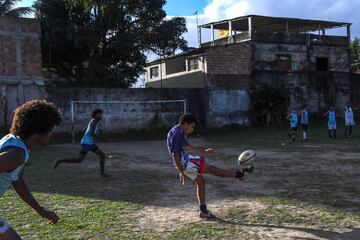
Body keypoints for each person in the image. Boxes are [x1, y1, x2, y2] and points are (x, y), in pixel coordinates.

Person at [167, 113, 253, 219]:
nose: (192, 130)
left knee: (209, 173)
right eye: (192, 127)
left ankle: (241, 175)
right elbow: (174, 154)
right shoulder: (177, 134)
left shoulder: (179, 130)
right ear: (185, 123)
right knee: (205, 177)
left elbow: (188, 147)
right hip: (183, 162)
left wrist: (204, 152)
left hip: (186, 159)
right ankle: (203, 211)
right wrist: (181, 171)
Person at [0, 100, 62, 239]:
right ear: (39, 131)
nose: (52, 134)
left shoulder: (17, 145)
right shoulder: (16, 154)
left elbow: (19, 182)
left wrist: (41, 211)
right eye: (51, 129)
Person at [54, 109, 109, 177]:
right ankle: (59, 161)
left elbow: (85, 130)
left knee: (102, 155)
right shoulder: (94, 122)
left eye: (101, 114)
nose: (101, 116)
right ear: (95, 115)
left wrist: (99, 132)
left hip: (89, 143)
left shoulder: (94, 121)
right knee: (79, 159)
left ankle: (102, 173)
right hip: (87, 143)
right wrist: (102, 139)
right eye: (99, 114)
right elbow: (92, 133)